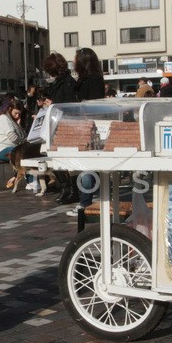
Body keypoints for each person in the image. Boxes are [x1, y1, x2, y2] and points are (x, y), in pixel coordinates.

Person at [69, 48, 106, 217]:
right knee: (86, 167)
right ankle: (85, 201)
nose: (74, 62)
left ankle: (85, 203)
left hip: (89, 126)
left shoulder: (92, 80)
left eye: (76, 59)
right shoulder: (86, 79)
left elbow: (93, 104)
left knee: (87, 167)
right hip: (83, 125)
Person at [43, 52, 78, 203]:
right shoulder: (62, 81)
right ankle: (66, 188)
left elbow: (68, 105)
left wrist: (52, 105)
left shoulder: (67, 82)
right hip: (60, 124)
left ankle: (69, 189)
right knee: (55, 158)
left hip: (65, 126)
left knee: (62, 159)